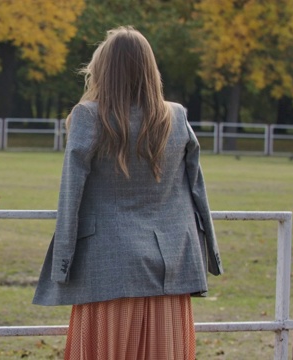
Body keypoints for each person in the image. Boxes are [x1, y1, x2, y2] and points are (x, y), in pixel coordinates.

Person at [32, 26, 223, 360]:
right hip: (171, 271)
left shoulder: (89, 117)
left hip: (109, 273)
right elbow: (197, 188)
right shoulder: (176, 117)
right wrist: (211, 256)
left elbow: (70, 193)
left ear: (103, 68)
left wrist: (62, 265)